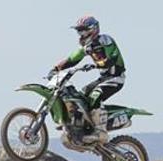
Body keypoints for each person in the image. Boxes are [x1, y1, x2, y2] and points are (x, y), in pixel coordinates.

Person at [50, 16, 125, 144]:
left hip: (116, 77)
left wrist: (98, 64)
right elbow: (72, 59)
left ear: (93, 29)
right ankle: (80, 127)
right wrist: (56, 68)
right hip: (103, 78)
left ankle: (100, 132)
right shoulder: (87, 47)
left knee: (96, 95)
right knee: (80, 98)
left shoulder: (105, 40)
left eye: (83, 30)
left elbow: (111, 58)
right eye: (79, 31)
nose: (81, 34)